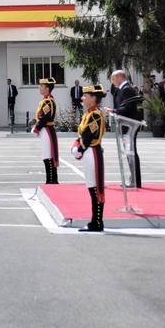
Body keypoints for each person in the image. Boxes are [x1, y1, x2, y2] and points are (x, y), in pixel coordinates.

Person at [72, 84, 107, 232]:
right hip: (88, 152)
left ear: (93, 98)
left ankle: (97, 222)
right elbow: (81, 134)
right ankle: (95, 221)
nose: (83, 97)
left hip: (92, 152)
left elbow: (87, 136)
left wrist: (79, 149)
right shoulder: (89, 113)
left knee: (95, 189)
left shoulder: (95, 115)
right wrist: (76, 146)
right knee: (91, 188)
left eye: (86, 95)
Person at [109, 70, 142, 188]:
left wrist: (114, 111)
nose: (111, 81)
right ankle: (134, 179)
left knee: (131, 153)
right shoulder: (122, 89)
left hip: (129, 126)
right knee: (129, 153)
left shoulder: (127, 89)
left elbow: (128, 108)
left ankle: (135, 181)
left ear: (119, 77)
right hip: (126, 125)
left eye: (112, 78)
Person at [30, 78, 59, 185]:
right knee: (46, 155)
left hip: (46, 130)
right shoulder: (45, 100)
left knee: (48, 156)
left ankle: (51, 181)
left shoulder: (48, 101)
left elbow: (45, 118)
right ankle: (51, 180)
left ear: (47, 88)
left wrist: (36, 128)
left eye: (42, 86)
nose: (39, 87)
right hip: (45, 130)